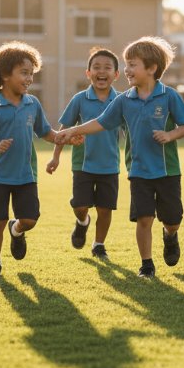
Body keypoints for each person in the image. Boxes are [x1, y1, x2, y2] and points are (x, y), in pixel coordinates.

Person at [56, 37, 184, 279]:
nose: (127, 70)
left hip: (168, 170)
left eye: (132, 65)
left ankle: (171, 235)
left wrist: (170, 135)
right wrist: (73, 130)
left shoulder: (169, 96)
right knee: (144, 219)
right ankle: (147, 264)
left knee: (172, 220)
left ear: (151, 68)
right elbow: (100, 122)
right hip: (138, 170)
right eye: (126, 64)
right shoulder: (123, 100)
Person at [0, 41, 71, 276]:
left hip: (26, 174)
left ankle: (16, 230)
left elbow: (46, 132)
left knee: (29, 220)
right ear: (5, 74)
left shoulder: (32, 104)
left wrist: (64, 138)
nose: (29, 79)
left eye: (31, 74)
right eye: (24, 73)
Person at [46, 47, 124, 262]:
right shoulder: (80, 99)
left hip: (110, 165)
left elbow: (132, 131)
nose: (102, 71)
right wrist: (56, 157)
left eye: (107, 68)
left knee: (105, 208)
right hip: (82, 164)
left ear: (116, 75)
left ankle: (98, 245)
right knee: (80, 206)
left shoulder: (122, 101)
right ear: (88, 73)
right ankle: (82, 222)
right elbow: (63, 129)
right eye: (96, 67)